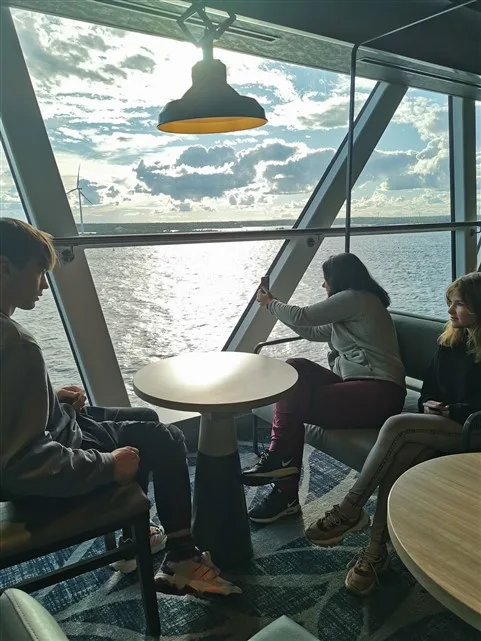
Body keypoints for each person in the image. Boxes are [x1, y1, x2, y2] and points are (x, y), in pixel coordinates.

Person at [0, 218, 240, 596]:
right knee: (167, 438)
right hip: (48, 471)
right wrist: (109, 465)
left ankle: (133, 538)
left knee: (145, 418)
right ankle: (181, 559)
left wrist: (50, 400)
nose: (45, 285)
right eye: (38, 272)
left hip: (58, 431)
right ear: (4, 267)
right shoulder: (16, 343)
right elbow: (23, 464)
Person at [306, 272, 481, 596]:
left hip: (474, 429)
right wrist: (429, 404)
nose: (450, 310)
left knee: (396, 426)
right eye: (450, 303)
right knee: (400, 454)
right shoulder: (450, 342)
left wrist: (451, 410)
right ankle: (375, 551)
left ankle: (350, 509)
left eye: (458, 304)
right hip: (443, 423)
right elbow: (430, 387)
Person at [242, 253, 406, 524]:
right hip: (358, 388)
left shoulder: (356, 298)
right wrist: (272, 307)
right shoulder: (352, 308)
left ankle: (284, 488)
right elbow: (311, 331)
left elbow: (303, 315)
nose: (323, 285)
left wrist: (270, 303)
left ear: (338, 279)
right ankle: (280, 466)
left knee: (293, 405)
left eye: (325, 279)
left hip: (379, 393)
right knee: (296, 367)